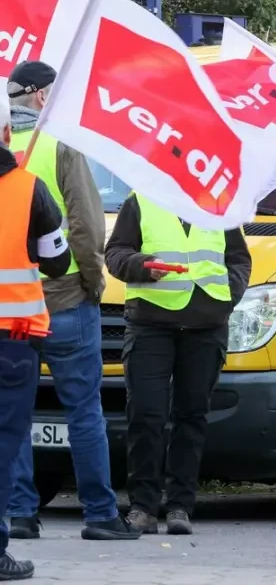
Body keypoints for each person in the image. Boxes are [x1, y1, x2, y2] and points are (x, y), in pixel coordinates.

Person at [5, 61, 140, 541]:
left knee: (13, 413)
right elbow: (85, 223)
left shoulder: (5, 147)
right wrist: (93, 282)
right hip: (64, 303)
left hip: (10, 312)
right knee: (84, 410)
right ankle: (101, 515)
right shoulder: (61, 143)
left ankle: (19, 513)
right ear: (43, 97)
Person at [105, 193, 252, 535]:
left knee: (191, 417)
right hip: (151, 326)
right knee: (146, 415)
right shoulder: (141, 198)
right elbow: (115, 254)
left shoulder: (220, 203)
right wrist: (141, 265)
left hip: (206, 327)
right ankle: (143, 506)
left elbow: (239, 259)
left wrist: (227, 295)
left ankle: (180, 507)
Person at [0, 92, 71, 579]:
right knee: (3, 449)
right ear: (8, 132)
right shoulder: (29, 190)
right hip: (11, 346)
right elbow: (57, 260)